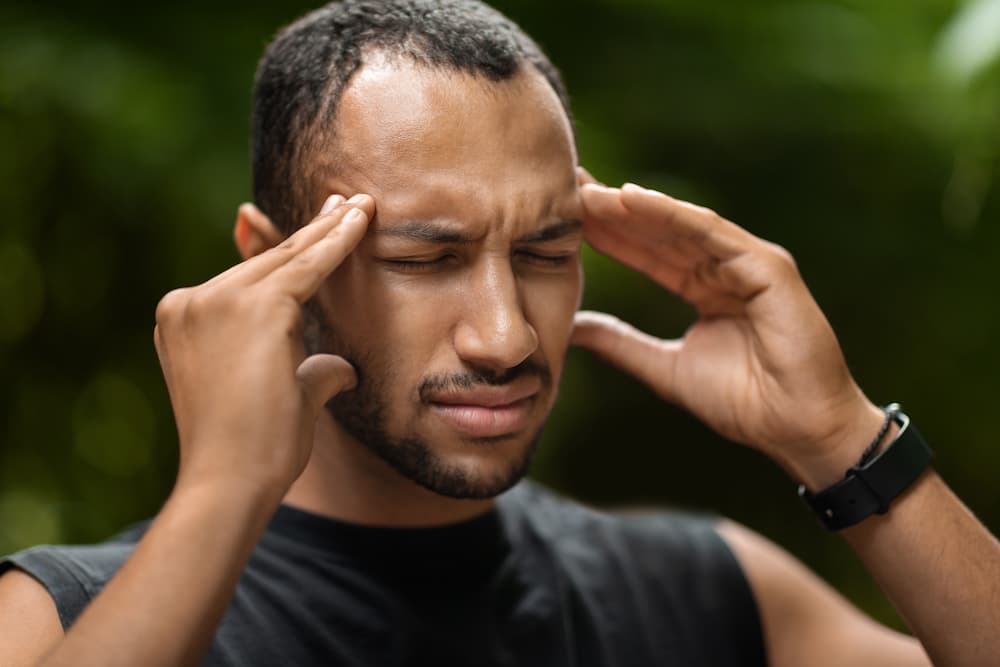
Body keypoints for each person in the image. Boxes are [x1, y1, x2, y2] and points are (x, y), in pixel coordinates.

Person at [1, 1, 998, 665]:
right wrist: (222, 488)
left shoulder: (703, 596)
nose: (505, 335)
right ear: (270, 266)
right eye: (425, 259)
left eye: (545, 251)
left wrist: (838, 440)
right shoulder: (65, 614)